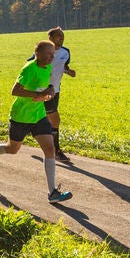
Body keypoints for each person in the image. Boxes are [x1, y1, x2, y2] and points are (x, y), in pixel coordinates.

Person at [0, 40, 73, 203]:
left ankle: (52, 193)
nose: (51, 57)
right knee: (12, 149)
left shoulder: (47, 67)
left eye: (53, 54)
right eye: (48, 54)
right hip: (21, 116)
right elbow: (15, 90)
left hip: (39, 115)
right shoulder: (28, 68)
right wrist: (37, 96)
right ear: (38, 54)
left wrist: (49, 92)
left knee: (50, 149)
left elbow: (43, 87)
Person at [44, 27, 77, 163]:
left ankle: (26, 131)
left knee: (45, 118)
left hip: (56, 90)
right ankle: (56, 151)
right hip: (43, 90)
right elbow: (30, 64)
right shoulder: (43, 51)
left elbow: (63, 65)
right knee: (55, 120)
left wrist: (69, 72)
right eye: (59, 36)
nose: (62, 38)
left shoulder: (66, 52)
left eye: (63, 36)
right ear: (50, 38)